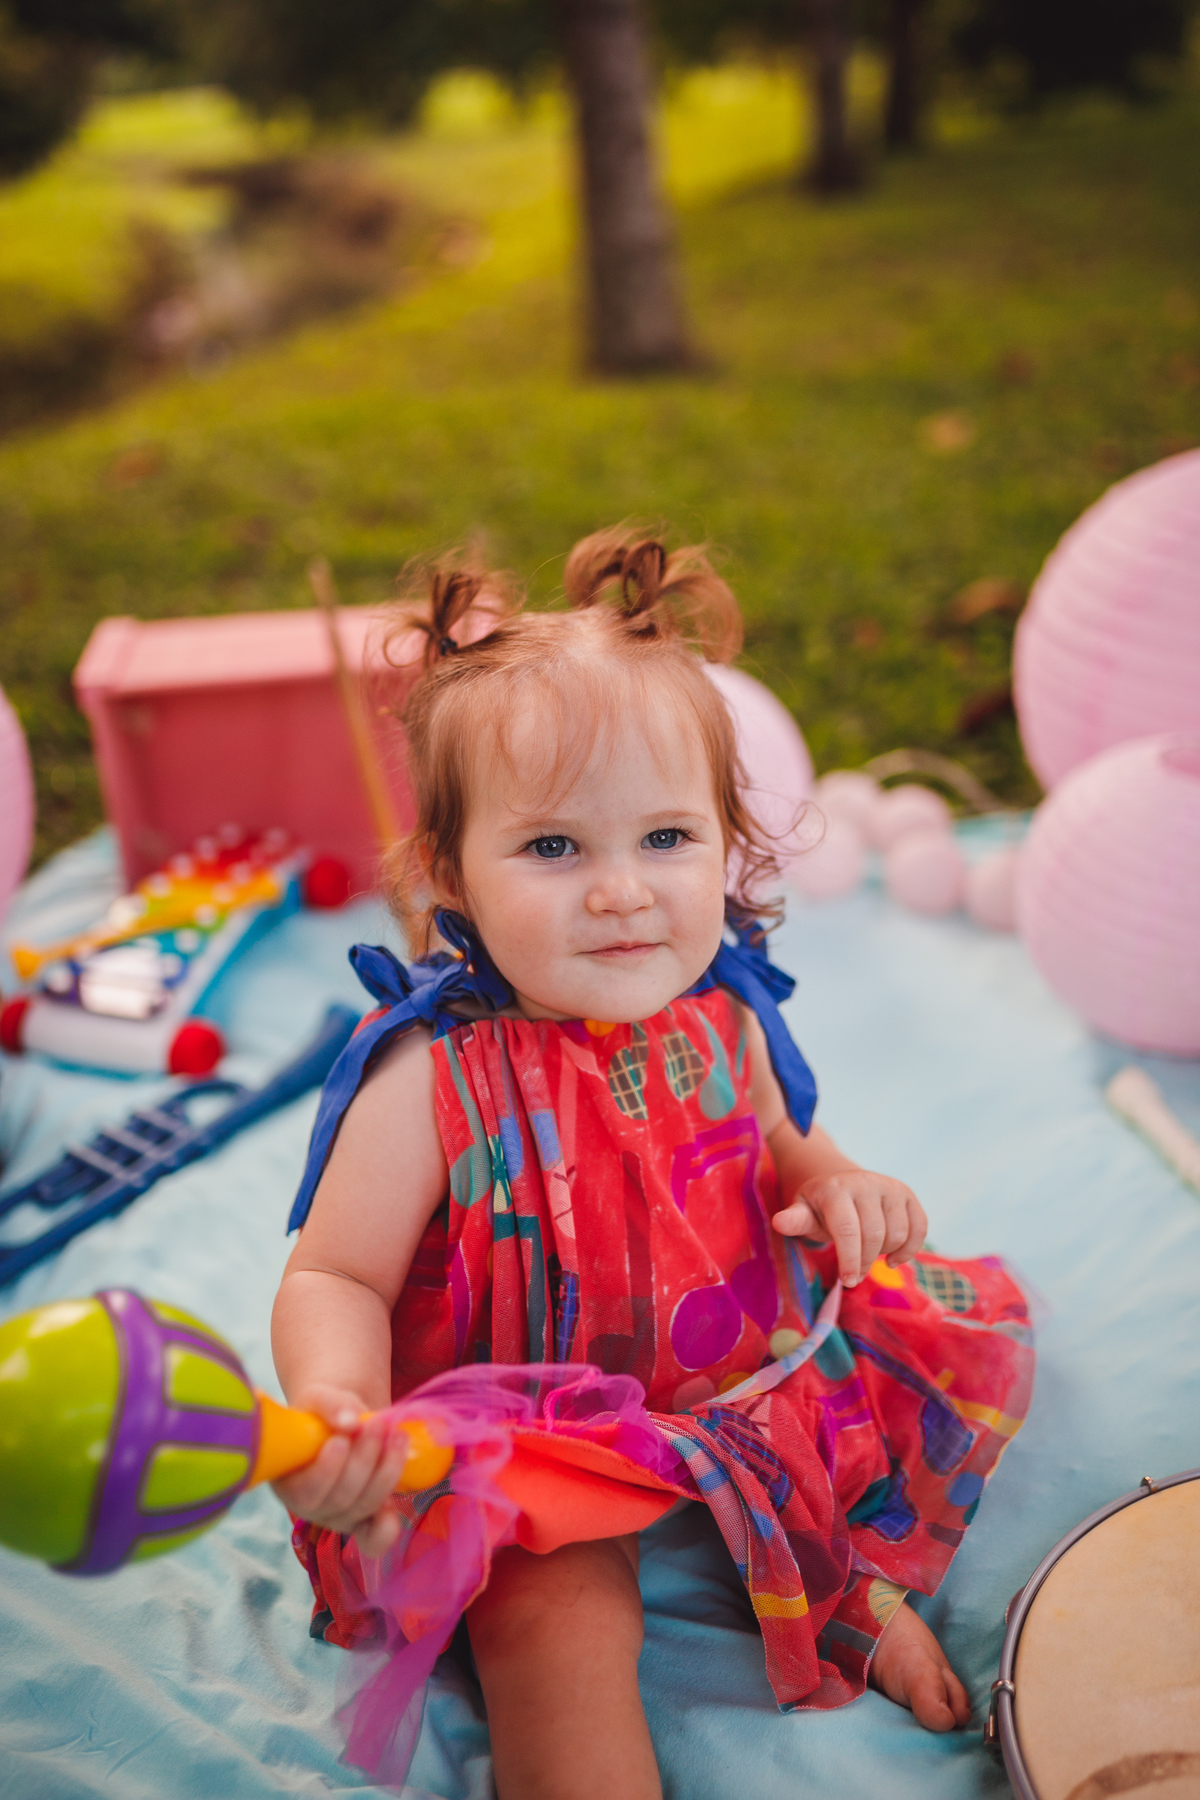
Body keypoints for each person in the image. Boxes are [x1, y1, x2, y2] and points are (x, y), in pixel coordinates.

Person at [272, 529, 1034, 1800]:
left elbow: (784, 1146)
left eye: (666, 839)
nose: (623, 893)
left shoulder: (721, 1013)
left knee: (854, 1460)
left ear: (726, 847)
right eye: (555, 849)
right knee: (553, 1624)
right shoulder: (427, 1081)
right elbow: (334, 1276)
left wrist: (841, 1183)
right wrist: (344, 1407)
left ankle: (846, 1594)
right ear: (451, 874)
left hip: (733, 1375)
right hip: (530, 1422)